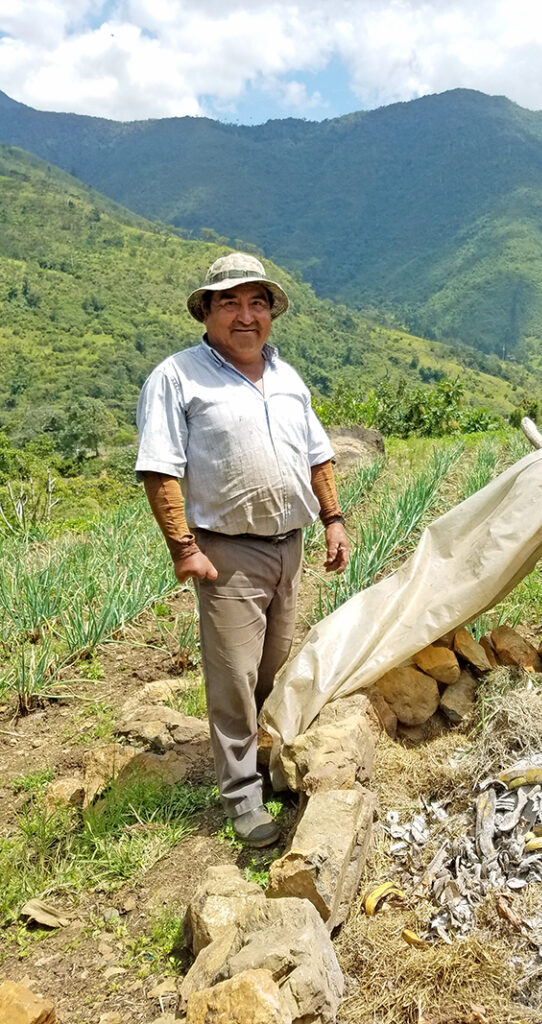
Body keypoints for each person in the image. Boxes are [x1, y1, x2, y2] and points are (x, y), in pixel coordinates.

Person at [135, 252, 349, 846]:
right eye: (229, 302)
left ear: (271, 314)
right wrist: (184, 547)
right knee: (232, 676)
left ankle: (266, 760)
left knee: (273, 668)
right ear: (206, 310)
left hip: (290, 545)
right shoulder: (177, 377)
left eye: (257, 302)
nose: (245, 314)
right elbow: (160, 468)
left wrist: (332, 519)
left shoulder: (286, 376)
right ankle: (241, 798)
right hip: (226, 551)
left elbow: (318, 453)